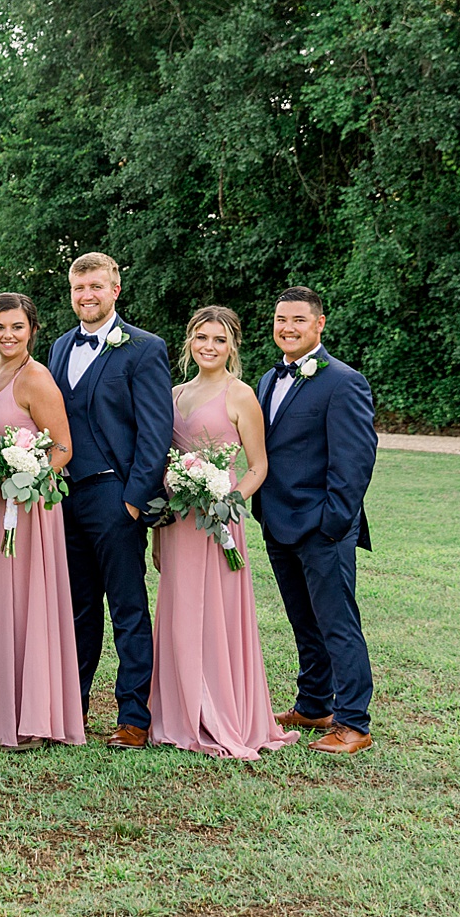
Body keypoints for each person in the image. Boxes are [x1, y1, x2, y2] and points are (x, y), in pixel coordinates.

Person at [150, 306, 296, 760]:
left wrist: (229, 500)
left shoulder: (240, 395)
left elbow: (258, 466)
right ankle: (180, 712)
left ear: (231, 345)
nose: (208, 347)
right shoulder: (173, 394)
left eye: (217, 339)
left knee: (216, 613)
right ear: (189, 342)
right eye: (200, 338)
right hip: (178, 523)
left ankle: (222, 713)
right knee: (178, 611)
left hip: (219, 522)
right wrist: (158, 531)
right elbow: (163, 464)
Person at [45, 251, 172, 749]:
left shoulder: (144, 348)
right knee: (76, 609)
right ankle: (71, 709)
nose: (87, 296)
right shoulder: (58, 347)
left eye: (96, 286)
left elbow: (155, 430)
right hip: (65, 498)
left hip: (115, 496)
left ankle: (133, 717)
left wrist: (134, 501)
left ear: (115, 290)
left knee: (128, 609)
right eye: (79, 288)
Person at [0, 292, 84, 750]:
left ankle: (25, 717)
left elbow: (63, 448)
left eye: (17, 327)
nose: (7, 335)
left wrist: (24, 472)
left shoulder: (36, 379)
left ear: (32, 330)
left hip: (24, 510)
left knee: (18, 600)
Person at [254, 286, 378, 755]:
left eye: (298, 320)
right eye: (281, 318)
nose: (287, 327)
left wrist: (332, 524)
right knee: (303, 622)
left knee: (337, 624)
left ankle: (353, 724)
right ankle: (313, 705)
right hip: (278, 522)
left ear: (319, 324)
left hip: (323, 527)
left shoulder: (343, 381)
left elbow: (355, 461)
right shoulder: (267, 380)